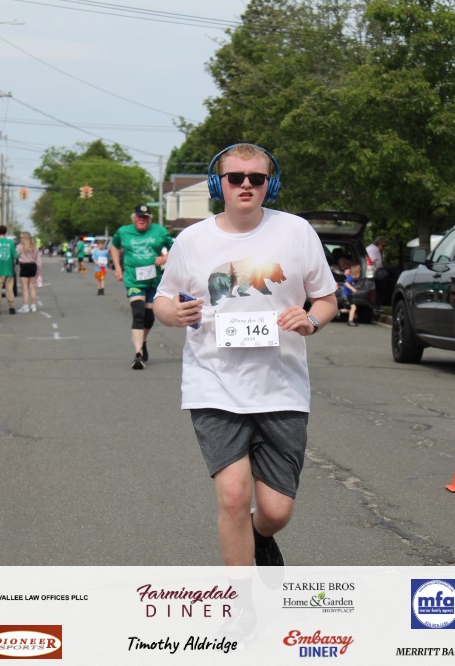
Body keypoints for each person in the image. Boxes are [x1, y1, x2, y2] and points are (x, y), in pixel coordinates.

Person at [153, 143, 338, 570]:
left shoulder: (296, 232)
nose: (246, 185)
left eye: (257, 178)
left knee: (275, 511)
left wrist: (311, 320)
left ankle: (259, 535)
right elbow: (163, 299)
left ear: (270, 184)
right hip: (213, 383)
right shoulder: (192, 240)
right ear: (218, 184)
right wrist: (173, 314)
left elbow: (326, 299)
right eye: (236, 177)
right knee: (234, 496)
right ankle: (241, 600)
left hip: (282, 387)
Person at [110, 205, 174, 369]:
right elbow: (114, 246)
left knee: (149, 317)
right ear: (134, 218)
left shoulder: (160, 231)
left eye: (145, 217)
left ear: (149, 219)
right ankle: (138, 354)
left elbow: (176, 248)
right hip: (134, 280)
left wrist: (164, 258)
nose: (142, 220)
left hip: (153, 280)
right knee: (138, 313)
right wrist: (117, 267)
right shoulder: (124, 232)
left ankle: (143, 341)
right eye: (139, 217)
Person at [0, 225, 18, 314]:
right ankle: (12, 307)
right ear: (6, 232)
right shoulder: (10, 243)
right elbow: (15, 255)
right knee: (9, 289)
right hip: (8, 270)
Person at [17, 231, 40, 312]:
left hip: (24, 266)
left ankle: (25, 305)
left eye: (21, 237)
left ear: (24, 238)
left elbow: (16, 255)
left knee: (25, 288)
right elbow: (38, 259)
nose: (20, 239)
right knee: (32, 286)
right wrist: (39, 269)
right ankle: (33, 305)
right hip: (33, 266)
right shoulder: (34, 247)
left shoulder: (20, 247)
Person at [366, 236, 390, 305]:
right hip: (374, 272)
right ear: (379, 243)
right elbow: (371, 262)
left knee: (380, 288)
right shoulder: (373, 250)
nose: (384, 248)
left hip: (376, 272)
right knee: (379, 289)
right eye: (383, 246)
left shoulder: (378, 251)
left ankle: (378, 304)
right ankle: (377, 304)